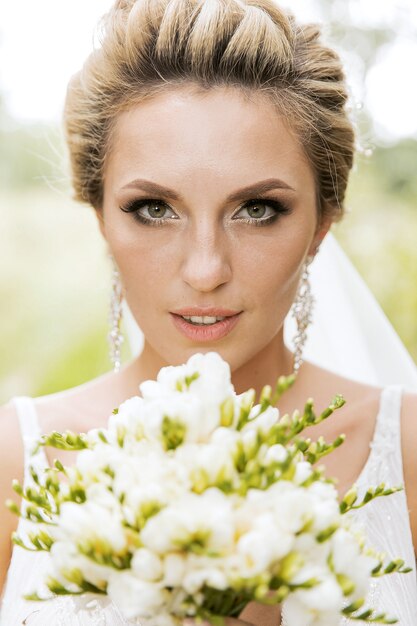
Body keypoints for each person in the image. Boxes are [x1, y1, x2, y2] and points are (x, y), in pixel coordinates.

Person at [0, 0, 416, 624]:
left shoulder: (406, 451)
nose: (204, 269)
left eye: (257, 210)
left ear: (323, 224)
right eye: (153, 209)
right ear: (100, 218)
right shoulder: (18, 461)